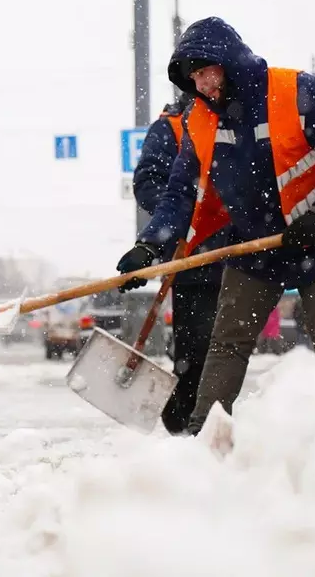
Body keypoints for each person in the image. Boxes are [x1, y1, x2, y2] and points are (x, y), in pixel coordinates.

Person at [115, 16, 315, 434]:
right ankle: (207, 439)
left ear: (230, 61)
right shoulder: (199, 121)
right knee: (227, 342)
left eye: (206, 71)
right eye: (194, 77)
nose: (202, 85)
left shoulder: (299, 93)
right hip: (256, 246)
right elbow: (181, 193)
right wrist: (150, 246)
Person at [130, 93, 228, 434]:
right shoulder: (170, 127)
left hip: (242, 253)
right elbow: (148, 183)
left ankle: (215, 423)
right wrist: (186, 217)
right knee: (198, 347)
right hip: (191, 258)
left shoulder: (237, 117)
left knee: (230, 348)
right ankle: (185, 421)